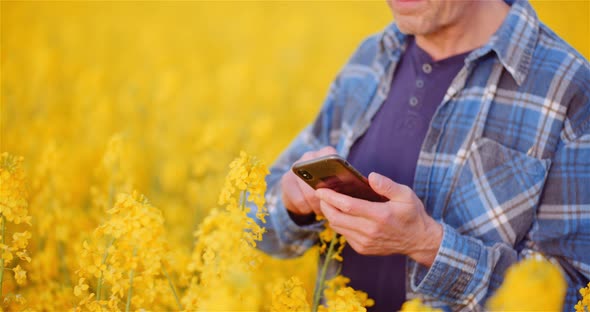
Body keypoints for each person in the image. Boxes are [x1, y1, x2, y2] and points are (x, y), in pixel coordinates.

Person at [250, 0, 590, 310]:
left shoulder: (567, 87)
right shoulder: (370, 60)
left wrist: (428, 244)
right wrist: (292, 204)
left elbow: (573, 292)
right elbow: (255, 223)